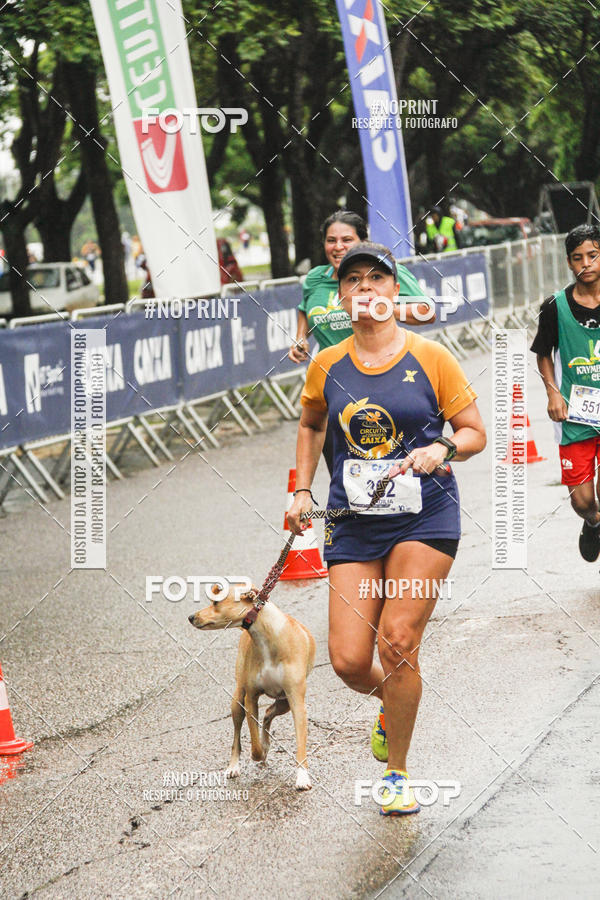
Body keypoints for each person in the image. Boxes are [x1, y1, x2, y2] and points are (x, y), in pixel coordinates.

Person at [287, 242, 486, 816]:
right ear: (342, 296)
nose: (366, 288)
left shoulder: (430, 356)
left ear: (395, 291)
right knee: (349, 659)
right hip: (354, 519)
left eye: (378, 278)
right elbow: (309, 424)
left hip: (425, 515)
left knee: (396, 641)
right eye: (354, 281)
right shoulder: (328, 363)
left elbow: (474, 431)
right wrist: (301, 489)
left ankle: (397, 774)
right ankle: (391, 702)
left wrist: (442, 446)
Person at [288, 211, 436, 473]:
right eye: (331, 240)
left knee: (387, 462)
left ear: (363, 241)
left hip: (382, 378)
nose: (338, 247)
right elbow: (304, 308)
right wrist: (301, 337)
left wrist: (384, 308)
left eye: (347, 239)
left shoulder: (386, 272)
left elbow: (427, 311)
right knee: (342, 468)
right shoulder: (314, 279)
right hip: (333, 383)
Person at [531, 224, 600, 562]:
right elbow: (544, 352)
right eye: (577, 258)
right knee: (582, 500)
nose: (585, 263)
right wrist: (553, 393)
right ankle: (592, 522)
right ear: (569, 263)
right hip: (576, 416)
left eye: (592, 255)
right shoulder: (554, 307)